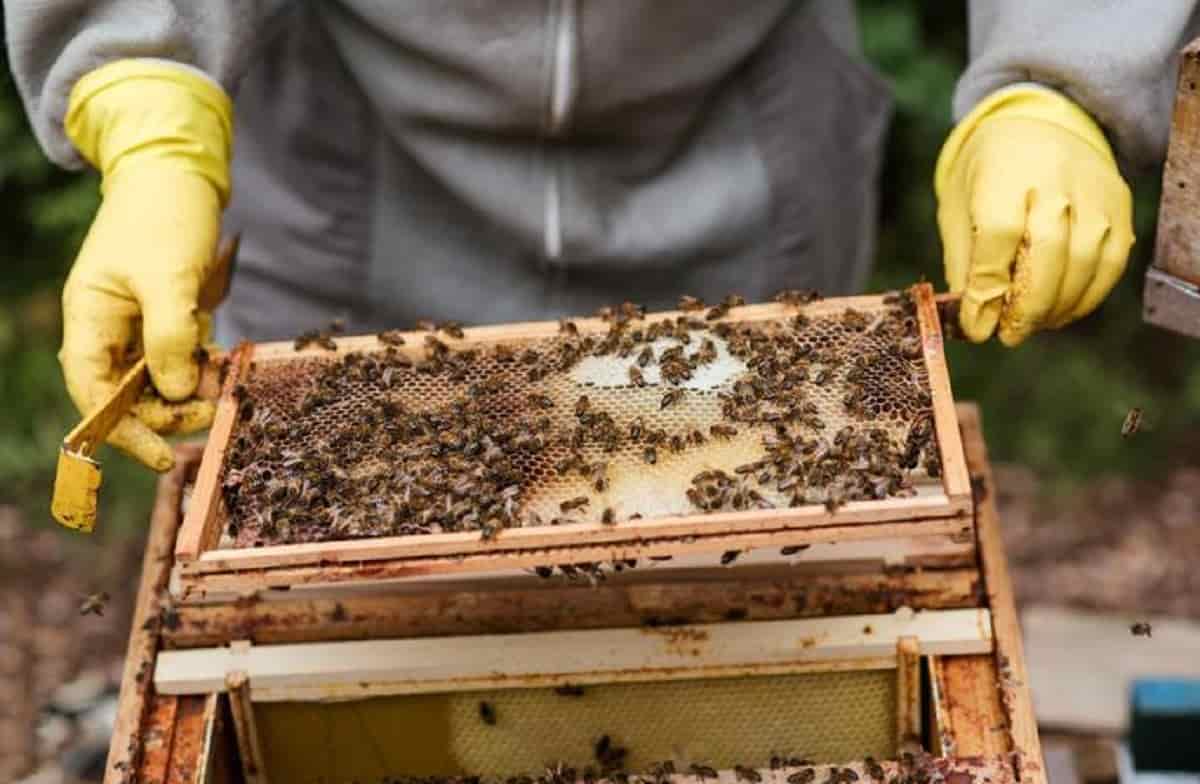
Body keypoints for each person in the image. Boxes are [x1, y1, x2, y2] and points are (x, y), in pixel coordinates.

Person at [3, 2, 1180, 473]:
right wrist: (142, 87)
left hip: (742, 125)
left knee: (754, 557)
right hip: (342, 158)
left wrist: (1056, 73)